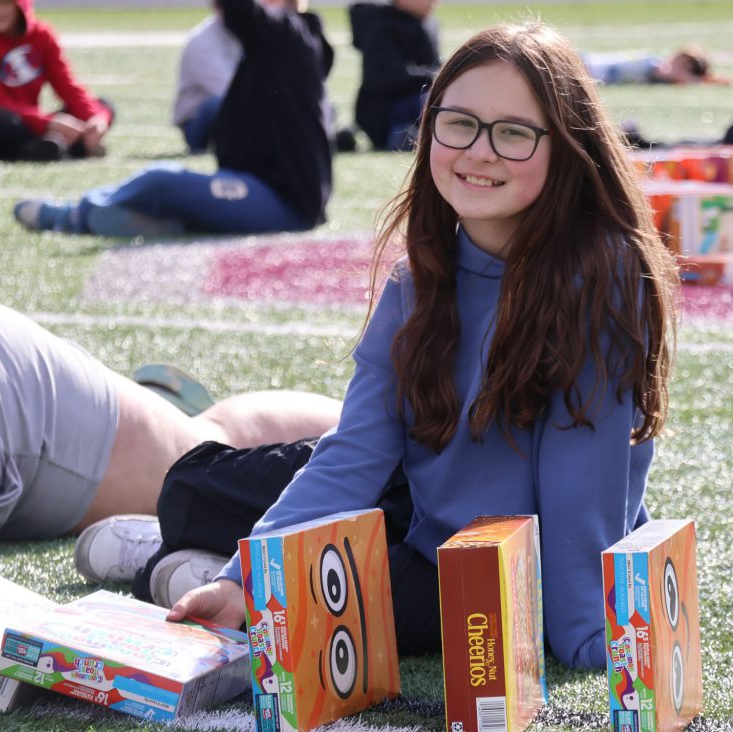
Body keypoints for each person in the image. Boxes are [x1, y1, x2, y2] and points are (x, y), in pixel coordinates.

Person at [152, 21, 679, 669]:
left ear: (566, 149)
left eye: (514, 133)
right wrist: (244, 579)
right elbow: (357, 451)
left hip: (502, 564)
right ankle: (200, 561)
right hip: (422, 504)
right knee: (193, 487)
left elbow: (582, 483)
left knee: (356, 601)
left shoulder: (602, 276)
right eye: (459, 123)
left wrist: (583, 637)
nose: (480, 152)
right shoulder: (418, 279)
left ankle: (187, 566)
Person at [0, 298, 342, 550]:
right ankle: (160, 406)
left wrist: (374, 435)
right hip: (10, 381)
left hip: (34, 403)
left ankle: (384, 429)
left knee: (204, 459)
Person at [12, 0, 333, 238]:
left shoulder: (288, 36)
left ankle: (72, 215)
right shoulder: (293, 43)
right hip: (267, 192)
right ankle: (155, 222)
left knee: (160, 180)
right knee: (172, 184)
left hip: (282, 203)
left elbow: (240, 10)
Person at [0, 0, 113, 161]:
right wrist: (46, 123)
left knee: (103, 106)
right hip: (5, 121)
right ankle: (61, 147)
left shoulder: (41, 35)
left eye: (3, 4)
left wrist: (96, 118)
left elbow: (67, 85)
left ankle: (49, 146)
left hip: (28, 122)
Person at [349, 0, 440, 151]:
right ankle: (405, 135)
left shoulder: (427, 24)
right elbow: (385, 77)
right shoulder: (381, 25)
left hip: (415, 100)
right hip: (384, 110)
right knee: (432, 101)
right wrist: (433, 77)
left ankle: (423, 135)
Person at [172, 8, 242, 154]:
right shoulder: (202, 42)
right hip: (195, 122)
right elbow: (228, 90)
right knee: (219, 103)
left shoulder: (246, 33)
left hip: (231, 108)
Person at [583, 46, 733, 86]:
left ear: (684, 63)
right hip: (587, 66)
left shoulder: (659, 68)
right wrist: (704, 81)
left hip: (589, 68)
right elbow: (673, 76)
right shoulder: (656, 64)